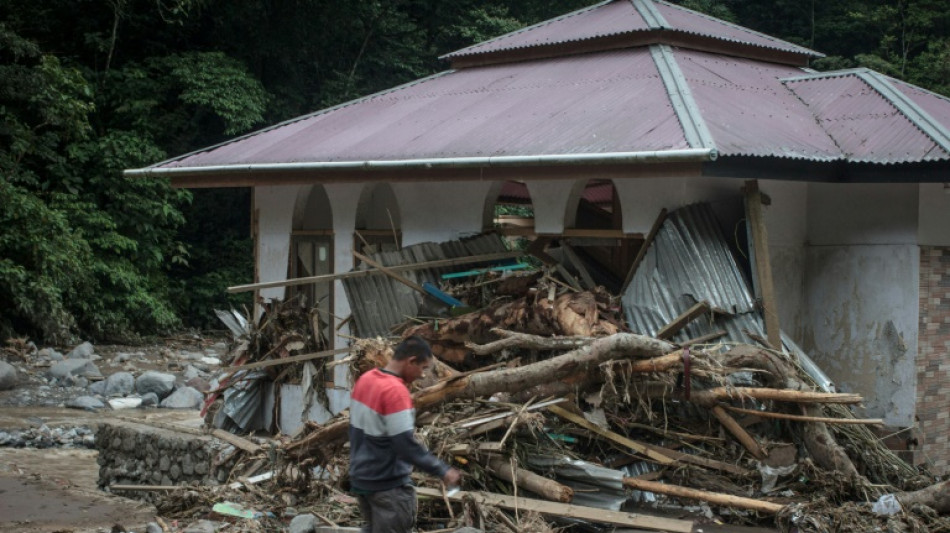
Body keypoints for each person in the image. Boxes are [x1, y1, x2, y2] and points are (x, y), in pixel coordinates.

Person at [349, 335, 462, 533]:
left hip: (362, 482)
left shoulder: (365, 381)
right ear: (411, 361)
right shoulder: (395, 392)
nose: (423, 375)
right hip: (388, 488)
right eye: (423, 368)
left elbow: (354, 432)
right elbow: (405, 445)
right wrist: (442, 470)